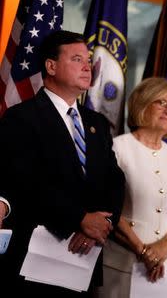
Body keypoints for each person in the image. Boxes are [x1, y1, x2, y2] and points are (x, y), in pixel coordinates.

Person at [0, 30, 125, 297]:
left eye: (88, 60)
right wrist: (79, 219)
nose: (87, 67)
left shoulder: (97, 123)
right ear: (51, 66)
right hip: (34, 263)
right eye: (77, 59)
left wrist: (100, 226)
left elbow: (114, 180)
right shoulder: (21, 117)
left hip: (85, 260)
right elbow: (25, 183)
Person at [94, 77, 167, 297]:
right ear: (142, 104)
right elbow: (108, 208)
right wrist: (144, 251)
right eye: (162, 103)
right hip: (121, 266)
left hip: (166, 267)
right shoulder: (117, 148)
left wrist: (165, 247)